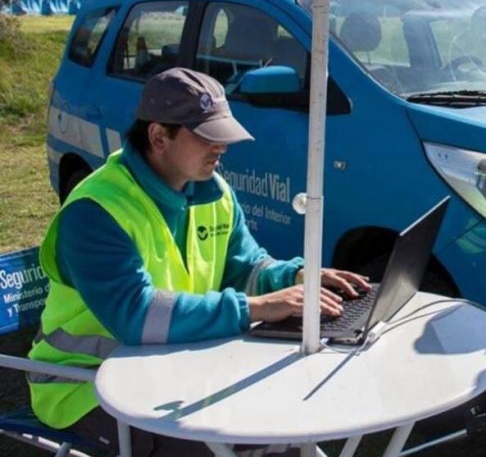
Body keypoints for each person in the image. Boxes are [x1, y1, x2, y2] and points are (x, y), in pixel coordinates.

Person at [27, 68, 371, 456]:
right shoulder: (96, 211)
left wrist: (296, 275)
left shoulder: (213, 190)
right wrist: (256, 308)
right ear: (158, 136)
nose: (221, 147)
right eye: (208, 136)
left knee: (285, 429)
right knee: (218, 446)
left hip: (175, 369)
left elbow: (245, 267)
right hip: (85, 387)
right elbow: (137, 317)